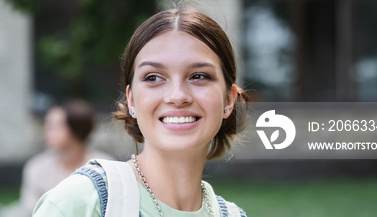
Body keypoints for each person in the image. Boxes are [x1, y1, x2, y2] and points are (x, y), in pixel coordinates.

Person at [34, 5, 249, 217]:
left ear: (229, 100)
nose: (177, 96)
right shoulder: (81, 203)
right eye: (153, 77)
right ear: (132, 100)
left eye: (199, 76)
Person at [20, 99, 114, 213]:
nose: (46, 130)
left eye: (54, 127)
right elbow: (32, 210)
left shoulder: (104, 167)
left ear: (75, 129)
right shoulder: (37, 168)